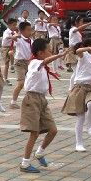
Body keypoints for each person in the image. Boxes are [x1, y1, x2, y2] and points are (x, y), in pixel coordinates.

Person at [19, 38, 61, 171]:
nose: (50, 52)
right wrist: (59, 55)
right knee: (34, 132)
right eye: (48, 50)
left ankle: (40, 152)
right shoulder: (34, 63)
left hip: (42, 99)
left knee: (53, 129)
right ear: (40, 53)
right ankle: (25, 163)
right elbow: (44, 61)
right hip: (32, 99)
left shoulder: (42, 66)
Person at [61, 39, 91, 151]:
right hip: (79, 88)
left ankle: (89, 127)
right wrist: (89, 49)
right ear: (89, 47)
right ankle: (79, 143)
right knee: (81, 117)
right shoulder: (84, 56)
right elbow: (78, 50)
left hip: (89, 88)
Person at [9, 20, 33, 109]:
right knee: (21, 83)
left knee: (30, 83)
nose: (30, 32)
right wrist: (17, 35)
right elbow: (13, 38)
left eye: (30, 30)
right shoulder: (20, 39)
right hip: (19, 63)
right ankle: (13, 102)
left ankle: (28, 101)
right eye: (28, 30)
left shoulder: (31, 41)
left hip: (28, 63)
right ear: (22, 31)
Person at [1, 17, 18, 84]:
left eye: (15, 25)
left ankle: (12, 66)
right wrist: (12, 37)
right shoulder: (7, 31)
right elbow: (6, 37)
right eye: (13, 25)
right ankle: (5, 78)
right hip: (5, 48)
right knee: (6, 64)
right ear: (9, 25)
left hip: (12, 48)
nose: (14, 26)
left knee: (11, 53)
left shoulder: (14, 32)